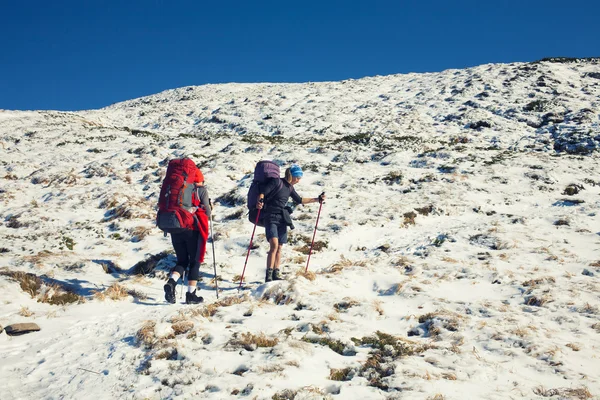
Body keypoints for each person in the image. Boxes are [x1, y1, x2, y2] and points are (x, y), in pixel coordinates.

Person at [256, 164, 325, 282]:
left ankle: (276, 273)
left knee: (280, 247)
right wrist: (260, 200)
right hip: (270, 216)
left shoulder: (290, 188)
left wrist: (317, 199)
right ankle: (268, 275)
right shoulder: (277, 182)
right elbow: (263, 191)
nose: (298, 180)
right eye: (297, 177)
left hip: (282, 218)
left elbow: (300, 200)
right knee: (274, 245)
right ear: (291, 175)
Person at [164, 168, 211, 304]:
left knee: (182, 261)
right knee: (194, 262)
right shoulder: (200, 190)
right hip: (192, 230)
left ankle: (171, 282)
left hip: (176, 228)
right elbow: (207, 212)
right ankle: (191, 295)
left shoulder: (178, 189)